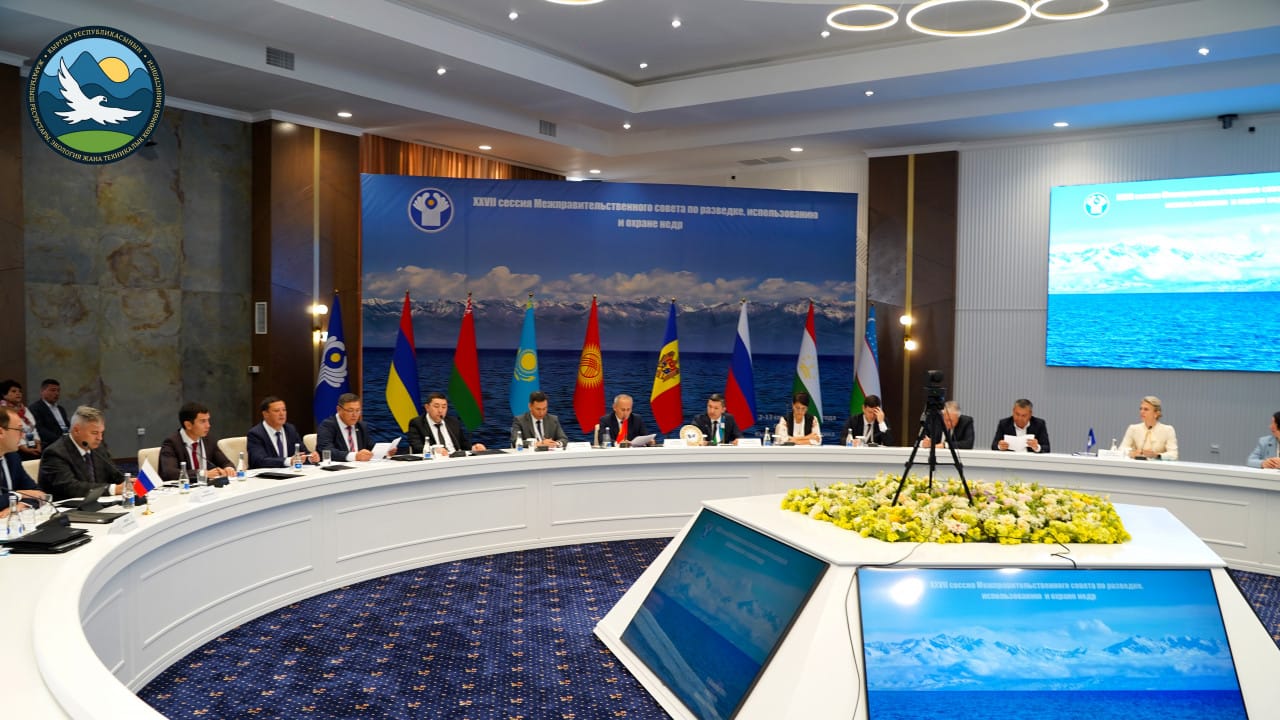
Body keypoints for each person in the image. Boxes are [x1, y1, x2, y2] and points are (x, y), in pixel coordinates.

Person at [37, 405, 128, 500]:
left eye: (101, 433)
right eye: (94, 433)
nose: (100, 438)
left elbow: (115, 474)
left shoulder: (98, 448)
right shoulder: (55, 453)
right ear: (76, 430)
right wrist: (113, 489)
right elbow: (70, 487)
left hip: (96, 504)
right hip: (66, 506)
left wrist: (128, 481)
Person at [158, 402, 236, 482]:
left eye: (208, 420)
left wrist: (228, 468)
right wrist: (202, 473)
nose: (208, 425)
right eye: (203, 421)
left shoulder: (208, 440)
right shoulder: (171, 443)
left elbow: (225, 462)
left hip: (206, 487)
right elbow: (169, 473)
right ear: (188, 425)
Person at [247, 396, 317, 468]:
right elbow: (258, 460)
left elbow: (303, 452)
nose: (282, 414)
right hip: (267, 474)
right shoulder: (256, 434)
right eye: (276, 411)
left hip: (291, 472)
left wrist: (311, 457)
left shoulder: (290, 429)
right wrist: (288, 461)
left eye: (284, 410)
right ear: (265, 414)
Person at [407, 392, 486, 455]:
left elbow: (463, 444)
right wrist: (434, 450)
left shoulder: (453, 422)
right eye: (436, 406)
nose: (440, 410)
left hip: (456, 459)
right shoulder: (417, 423)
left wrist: (473, 448)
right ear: (427, 407)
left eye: (444, 407)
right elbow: (417, 446)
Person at [1, 405, 46, 507]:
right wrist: (17, 495)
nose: (22, 436)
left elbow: (37, 493)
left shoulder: (12, 457)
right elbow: (26, 494)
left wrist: (21, 505)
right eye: (19, 430)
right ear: (1, 432)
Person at [317, 393, 377, 462]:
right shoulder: (327, 426)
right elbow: (326, 450)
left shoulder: (361, 426)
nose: (355, 415)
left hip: (360, 466)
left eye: (357, 410)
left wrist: (385, 452)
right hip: (338, 467)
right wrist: (354, 456)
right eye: (350, 410)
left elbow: (371, 447)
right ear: (339, 409)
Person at [1119, 395, 1178, 460]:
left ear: (1156, 413)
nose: (1142, 412)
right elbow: (1121, 450)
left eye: (1146, 409)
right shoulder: (1133, 428)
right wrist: (1132, 453)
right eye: (1141, 409)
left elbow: (1174, 455)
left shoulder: (1168, 430)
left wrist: (1156, 455)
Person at [0, 379, 42, 459]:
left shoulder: (25, 409)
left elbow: (33, 428)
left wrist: (38, 444)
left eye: (19, 391)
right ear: (4, 395)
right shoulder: (3, 411)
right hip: (14, 449)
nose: (18, 393)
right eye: (13, 391)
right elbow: (10, 433)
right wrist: (24, 448)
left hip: (31, 445)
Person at [28, 378, 70, 445]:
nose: (56, 393)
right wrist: (60, 441)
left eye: (58, 390)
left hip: (66, 442)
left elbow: (67, 426)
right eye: (53, 390)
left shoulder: (61, 409)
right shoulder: (35, 408)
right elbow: (40, 429)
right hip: (50, 444)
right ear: (42, 391)